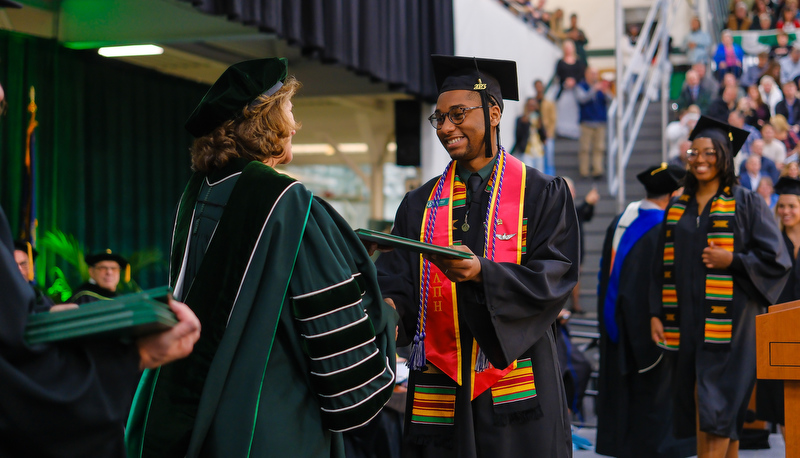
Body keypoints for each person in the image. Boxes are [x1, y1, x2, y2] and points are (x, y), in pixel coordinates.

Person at [126, 58, 396, 458]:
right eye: (288, 108)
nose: (294, 121)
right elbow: (329, 314)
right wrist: (387, 314)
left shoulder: (199, 192)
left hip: (201, 405)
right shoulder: (287, 202)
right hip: (266, 416)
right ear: (266, 122)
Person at [375, 55, 579, 457]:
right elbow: (397, 278)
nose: (446, 128)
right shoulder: (419, 204)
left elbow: (554, 276)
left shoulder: (541, 193)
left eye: (458, 114)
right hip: (440, 377)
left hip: (520, 382)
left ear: (495, 113)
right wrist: (387, 306)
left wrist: (483, 274)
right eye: (439, 119)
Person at [0, 204, 201, 457]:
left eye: (113, 269)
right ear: (92, 272)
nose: (108, 273)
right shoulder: (83, 298)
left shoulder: (126, 297)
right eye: (103, 269)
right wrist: (137, 357)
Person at [650, 116, 791, 458]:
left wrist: (734, 261)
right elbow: (659, 265)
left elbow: (777, 259)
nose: (699, 159)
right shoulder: (678, 208)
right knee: (705, 406)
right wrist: (656, 312)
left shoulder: (746, 203)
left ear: (725, 157)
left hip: (733, 324)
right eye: (693, 152)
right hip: (686, 322)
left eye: (709, 152)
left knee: (717, 405)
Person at [596, 163, 696, 458]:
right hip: (651, 326)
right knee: (655, 394)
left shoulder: (620, 221)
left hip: (616, 321)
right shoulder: (665, 228)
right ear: (673, 194)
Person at [756, 176, 800, 436]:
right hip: (780, 331)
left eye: (792, 206)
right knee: (784, 400)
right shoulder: (771, 244)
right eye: (781, 206)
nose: (785, 211)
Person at [575, 67, 611, 179]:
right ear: (586, 74)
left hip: (600, 122)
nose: (594, 76)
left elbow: (611, 100)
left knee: (599, 148)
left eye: (596, 73)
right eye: (592, 73)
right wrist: (593, 90)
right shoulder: (581, 86)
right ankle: (584, 171)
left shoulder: (601, 86)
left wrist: (606, 92)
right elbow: (582, 99)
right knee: (585, 148)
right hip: (587, 122)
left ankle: (597, 170)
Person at [554, 39, 585, 139]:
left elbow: (581, 74)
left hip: (575, 89)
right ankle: (562, 130)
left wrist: (574, 81)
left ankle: (574, 131)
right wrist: (566, 81)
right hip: (564, 88)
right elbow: (559, 74)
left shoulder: (578, 61)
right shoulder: (560, 62)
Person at [13, 240, 53, 312]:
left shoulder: (39, 297)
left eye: (23, 264)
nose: (19, 269)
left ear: (32, 267)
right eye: (14, 265)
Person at [511, 97, 546, 171]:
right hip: (526, 150)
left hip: (538, 150)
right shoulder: (521, 119)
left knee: (540, 172)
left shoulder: (538, 118)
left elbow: (543, 135)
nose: (532, 108)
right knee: (528, 173)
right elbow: (518, 136)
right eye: (530, 105)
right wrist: (526, 123)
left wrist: (539, 126)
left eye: (534, 105)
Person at [534, 79, 557, 175]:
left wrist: (550, 132)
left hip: (547, 133)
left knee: (549, 157)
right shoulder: (533, 102)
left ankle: (550, 176)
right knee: (538, 158)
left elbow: (553, 119)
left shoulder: (548, 103)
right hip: (536, 133)